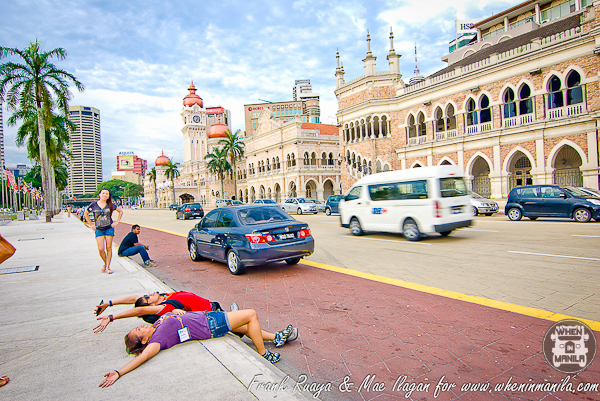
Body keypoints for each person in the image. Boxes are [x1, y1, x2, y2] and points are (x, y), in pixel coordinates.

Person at [99, 309, 284, 387]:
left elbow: (168, 316)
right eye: (140, 330)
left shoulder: (156, 325)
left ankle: (276, 337)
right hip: (210, 325)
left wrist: (177, 313)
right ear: (144, 341)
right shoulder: (157, 339)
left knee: (242, 326)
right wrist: (119, 372)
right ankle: (263, 353)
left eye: (139, 326)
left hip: (207, 317)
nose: (143, 326)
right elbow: (142, 357)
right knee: (251, 314)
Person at [93, 291, 297, 345]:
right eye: (147, 298)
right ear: (152, 307)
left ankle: (275, 337)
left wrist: (109, 303)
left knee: (243, 327)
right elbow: (138, 310)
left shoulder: (163, 296)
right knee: (244, 323)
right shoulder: (165, 307)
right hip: (211, 315)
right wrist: (112, 317)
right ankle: (276, 337)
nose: (148, 294)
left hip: (212, 312)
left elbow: (133, 299)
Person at [84, 189, 123, 274]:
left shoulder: (110, 205)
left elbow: (120, 212)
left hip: (109, 228)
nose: (104, 195)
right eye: (103, 193)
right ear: (99, 194)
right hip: (99, 229)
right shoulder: (94, 205)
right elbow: (86, 213)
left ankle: (108, 267)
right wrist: (91, 224)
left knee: (108, 248)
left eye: (106, 194)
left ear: (108, 196)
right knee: (101, 249)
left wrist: (117, 222)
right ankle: (105, 263)